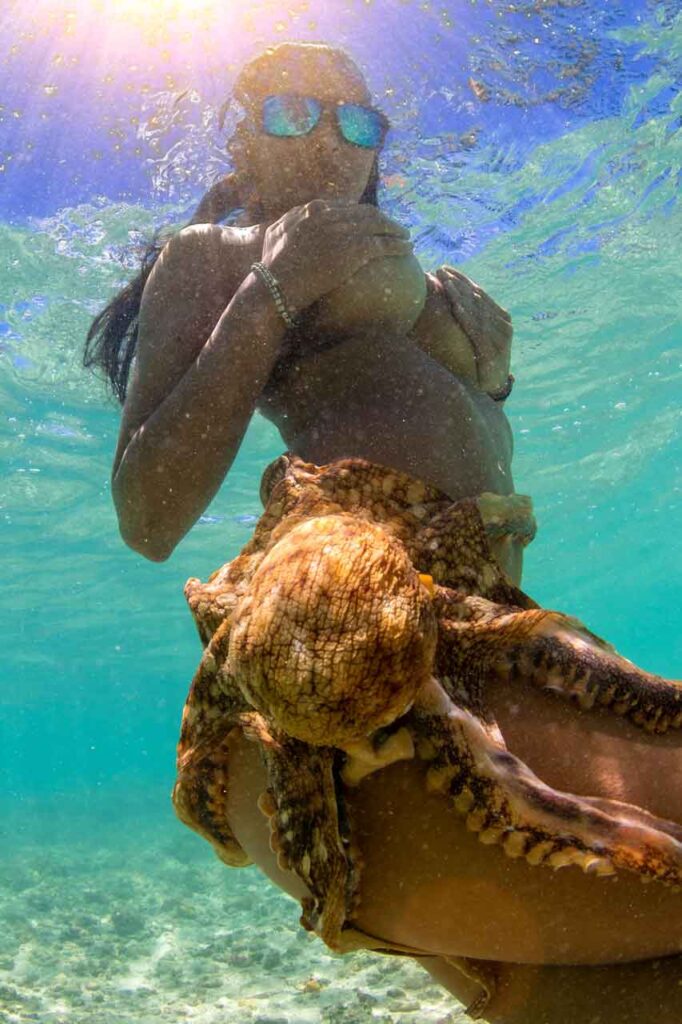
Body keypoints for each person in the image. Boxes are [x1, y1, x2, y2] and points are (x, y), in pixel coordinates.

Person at [85, 42, 682, 1024]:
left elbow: (470, 475)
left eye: (353, 121)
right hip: (346, 666)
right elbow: (147, 515)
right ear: (240, 139)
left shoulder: (427, 291)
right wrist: (269, 293)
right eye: (288, 114)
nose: (326, 140)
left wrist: (490, 385)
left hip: (477, 647)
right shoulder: (216, 258)